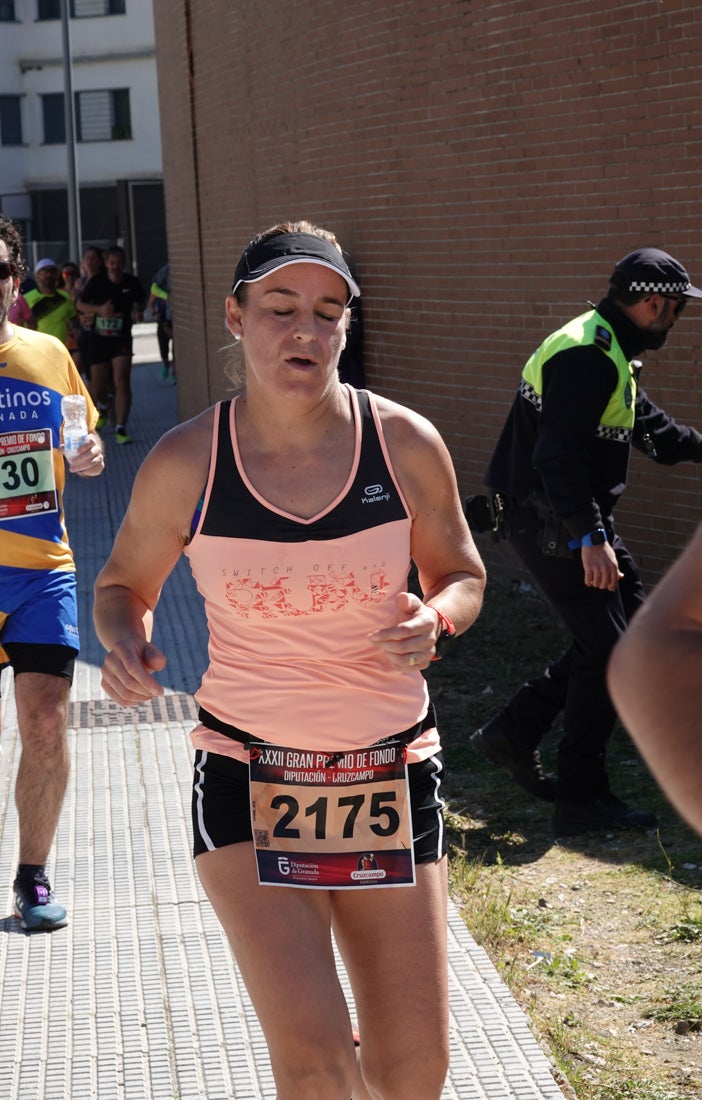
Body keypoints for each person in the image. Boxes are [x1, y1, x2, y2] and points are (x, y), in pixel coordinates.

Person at [93, 221, 486, 1099]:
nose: (304, 330)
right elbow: (121, 584)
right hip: (248, 771)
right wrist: (125, 643)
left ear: (347, 328)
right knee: (312, 1065)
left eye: (326, 311)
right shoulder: (188, 460)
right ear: (235, 317)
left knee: (413, 1070)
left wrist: (439, 616)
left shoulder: (405, 443)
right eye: (280, 308)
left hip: (388, 771)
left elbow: (461, 571)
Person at [469, 247, 702, 837]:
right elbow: (556, 456)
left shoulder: (605, 347)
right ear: (653, 303)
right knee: (614, 651)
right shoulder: (589, 353)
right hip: (552, 519)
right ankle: (579, 797)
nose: (674, 322)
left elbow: (641, 422)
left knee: (624, 637)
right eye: (674, 311)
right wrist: (589, 537)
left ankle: (514, 732)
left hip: (565, 516)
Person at [0, 215, 105, 930]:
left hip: (43, 571)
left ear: (15, 278)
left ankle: (32, 877)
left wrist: (89, 454)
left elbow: (80, 438)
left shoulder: (46, 352)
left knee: (44, 722)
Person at [608, 484, 702, 863]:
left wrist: (699, 447)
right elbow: (558, 458)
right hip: (580, 538)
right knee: (597, 648)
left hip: (596, 532)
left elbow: (652, 426)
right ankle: (576, 790)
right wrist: (590, 533)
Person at [76, 244, 146, 444]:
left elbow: (141, 300)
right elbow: (80, 304)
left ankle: (121, 428)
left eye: (119, 263)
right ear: (106, 264)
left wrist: (139, 311)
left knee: (121, 380)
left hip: (121, 339)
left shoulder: (132, 282)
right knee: (97, 387)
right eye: (112, 263)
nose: (115, 267)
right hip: (99, 340)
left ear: (124, 264)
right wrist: (99, 310)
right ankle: (105, 406)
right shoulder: (97, 281)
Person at [23, 258, 77, 348]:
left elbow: (74, 322)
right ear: (36, 276)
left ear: (57, 275)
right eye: (44, 272)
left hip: (60, 350)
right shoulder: (25, 299)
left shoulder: (65, 297)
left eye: (52, 271)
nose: (48, 275)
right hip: (36, 349)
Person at [71, 247, 105, 381]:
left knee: (102, 377)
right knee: (88, 374)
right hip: (83, 331)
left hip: (101, 332)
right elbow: (74, 309)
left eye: (93, 258)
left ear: (100, 262)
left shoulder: (104, 280)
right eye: (87, 258)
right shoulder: (79, 283)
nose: (90, 262)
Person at [148, 261, 174, 380]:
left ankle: (174, 373)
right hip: (164, 318)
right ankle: (165, 363)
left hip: (174, 319)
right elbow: (152, 296)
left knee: (175, 350)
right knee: (163, 348)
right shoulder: (167, 270)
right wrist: (155, 314)